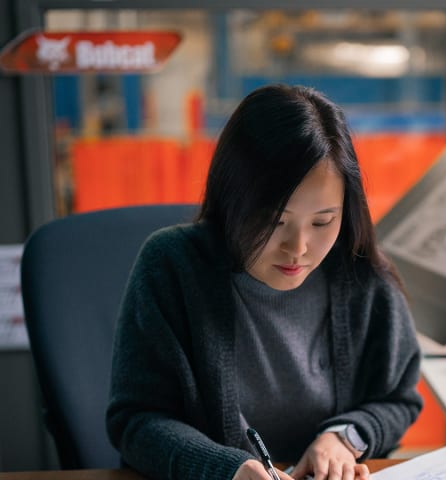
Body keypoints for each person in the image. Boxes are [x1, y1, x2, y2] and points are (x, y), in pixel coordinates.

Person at [107, 85, 421, 480]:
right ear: (232, 200)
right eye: (275, 222)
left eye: (323, 221)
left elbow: (398, 399)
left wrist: (345, 438)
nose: (299, 248)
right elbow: (136, 420)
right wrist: (228, 470)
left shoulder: (361, 273)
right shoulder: (171, 265)